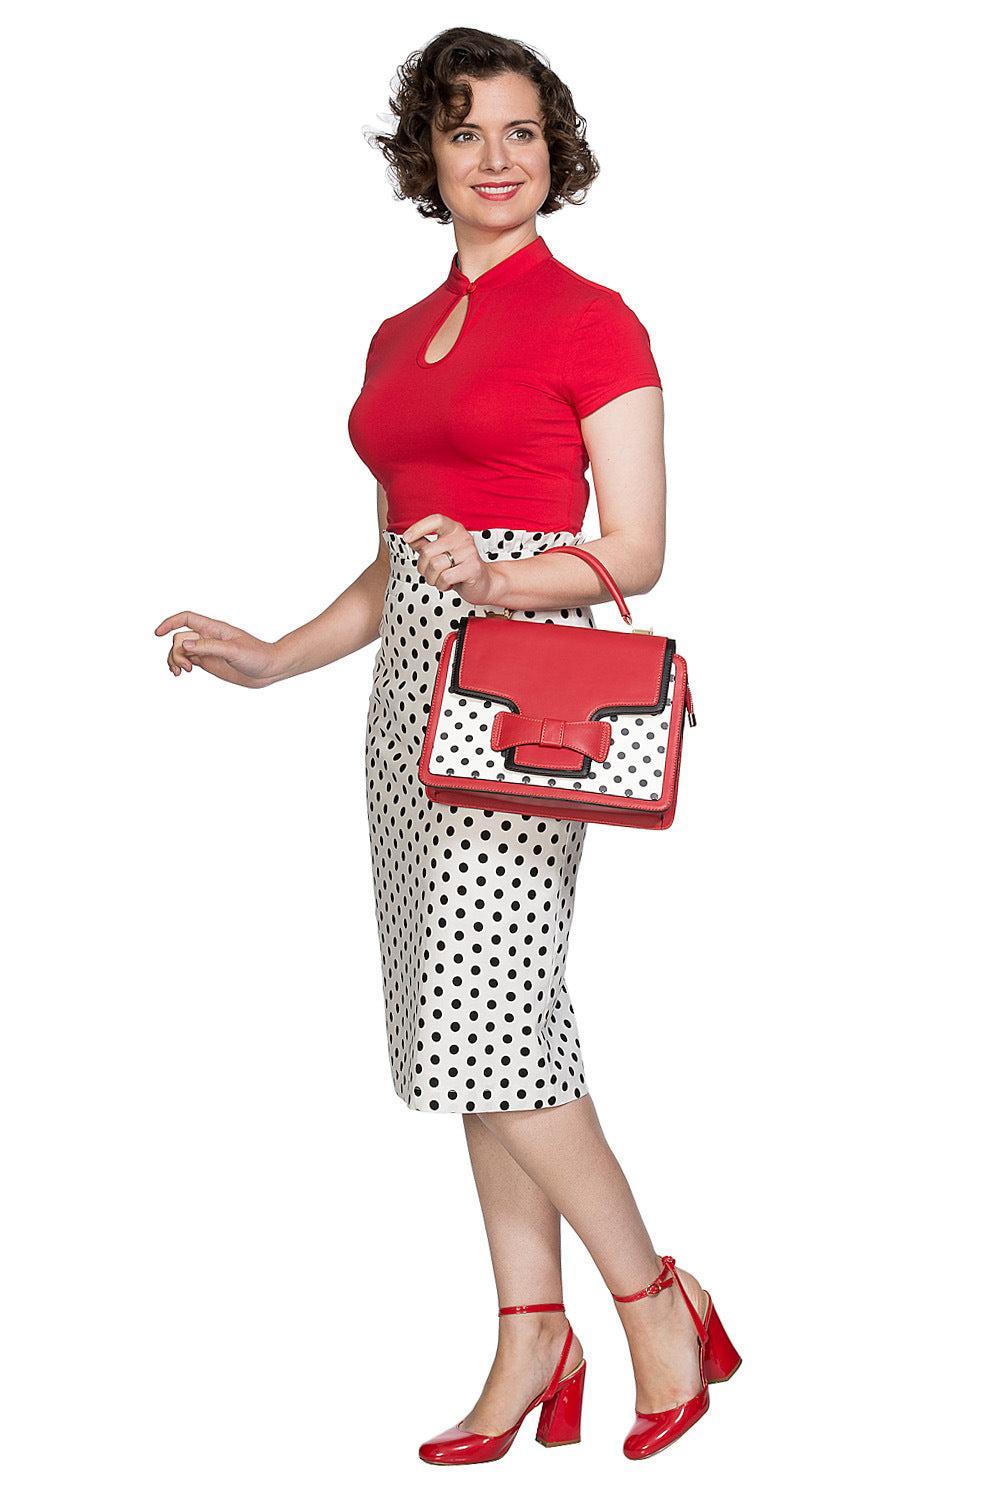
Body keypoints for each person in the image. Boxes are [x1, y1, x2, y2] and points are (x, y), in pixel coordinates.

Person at [153, 25, 740, 1465]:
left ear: (556, 151)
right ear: (427, 152)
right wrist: (271, 655)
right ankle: (529, 1333)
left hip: (528, 695)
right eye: (466, 129)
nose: (496, 156)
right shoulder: (395, 339)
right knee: (461, 1021)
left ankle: (655, 1302)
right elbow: (394, 566)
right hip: (408, 698)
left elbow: (638, 547)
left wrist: (501, 575)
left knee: (498, 1011)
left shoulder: (594, 321)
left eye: (521, 131)